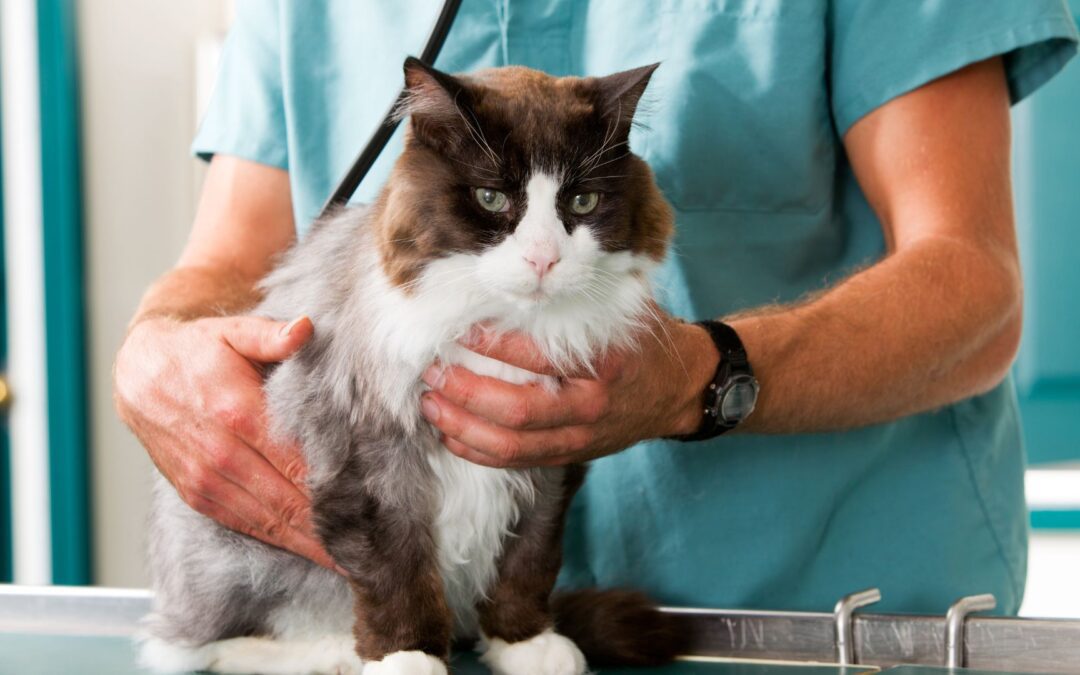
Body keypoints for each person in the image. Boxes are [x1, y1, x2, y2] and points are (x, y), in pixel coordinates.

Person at [115, 1, 1079, 614]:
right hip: (440, 627)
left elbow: (976, 287)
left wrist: (698, 380)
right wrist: (154, 352)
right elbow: (227, 266)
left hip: (828, 614)